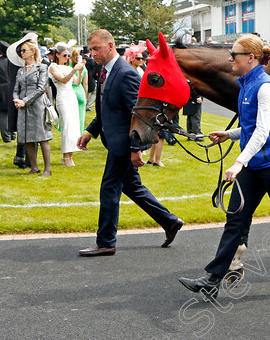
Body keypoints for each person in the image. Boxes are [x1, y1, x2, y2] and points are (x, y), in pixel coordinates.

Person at [178, 34, 270, 300]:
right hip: (255, 164)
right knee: (235, 219)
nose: (230, 58)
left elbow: (263, 132)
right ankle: (213, 279)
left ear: (251, 58)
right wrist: (229, 135)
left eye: (234, 54)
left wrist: (239, 161)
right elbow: (253, 127)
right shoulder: (247, 85)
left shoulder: (266, 88)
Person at [76, 29, 183, 257]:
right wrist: (90, 132)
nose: (92, 53)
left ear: (111, 46)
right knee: (132, 187)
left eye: (96, 48)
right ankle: (170, 221)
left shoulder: (126, 74)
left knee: (109, 190)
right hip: (115, 141)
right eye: (91, 49)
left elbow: (138, 114)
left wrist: (137, 149)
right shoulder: (104, 71)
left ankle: (106, 242)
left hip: (124, 144)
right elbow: (107, 109)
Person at [10, 35, 53, 176]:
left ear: (33, 51)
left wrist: (25, 101)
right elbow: (16, 88)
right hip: (23, 106)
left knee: (42, 137)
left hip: (37, 106)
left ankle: (47, 169)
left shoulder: (42, 67)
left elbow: (41, 89)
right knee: (26, 137)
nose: (21, 53)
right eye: (20, 51)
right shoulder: (20, 70)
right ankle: (34, 167)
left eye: (24, 50)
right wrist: (16, 99)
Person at [48, 43, 85, 166]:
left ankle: (70, 156)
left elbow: (77, 82)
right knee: (67, 127)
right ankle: (65, 156)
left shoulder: (69, 67)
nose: (66, 58)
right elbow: (62, 80)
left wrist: (79, 71)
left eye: (68, 56)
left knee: (74, 126)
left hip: (71, 97)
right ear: (57, 55)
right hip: (62, 97)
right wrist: (74, 69)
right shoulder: (53, 67)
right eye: (64, 55)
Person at [70, 47, 88, 136]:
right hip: (80, 92)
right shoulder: (83, 68)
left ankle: (71, 135)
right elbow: (85, 84)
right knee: (81, 117)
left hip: (70, 91)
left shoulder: (68, 67)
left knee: (71, 117)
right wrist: (86, 95)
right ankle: (80, 135)